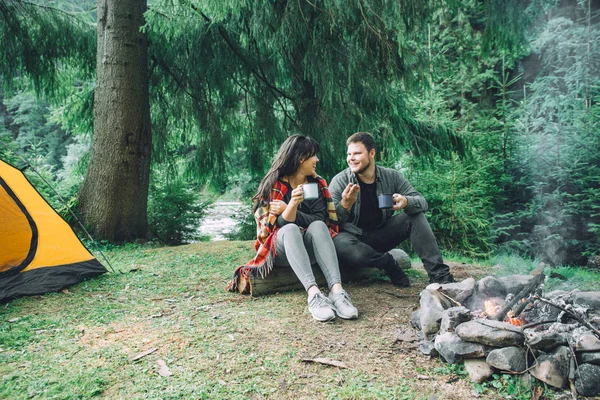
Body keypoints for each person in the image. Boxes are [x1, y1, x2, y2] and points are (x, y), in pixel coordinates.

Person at [226, 135, 358, 322]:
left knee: (319, 225)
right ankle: (314, 295)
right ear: (301, 157)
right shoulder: (275, 185)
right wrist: (293, 205)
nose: (317, 160)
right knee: (290, 230)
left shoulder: (315, 184)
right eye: (314, 156)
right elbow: (275, 228)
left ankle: (337, 292)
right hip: (281, 251)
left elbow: (319, 218)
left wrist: (289, 209)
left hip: (309, 248)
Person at [329, 132, 454, 286]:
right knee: (338, 241)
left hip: (381, 235)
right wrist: (345, 205)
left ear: (372, 153)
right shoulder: (340, 181)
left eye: (357, 153)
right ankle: (388, 263)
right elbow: (331, 223)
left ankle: (440, 276)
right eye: (349, 154)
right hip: (353, 241)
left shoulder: (392, 176)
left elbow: (422, 202)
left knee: (414, 216)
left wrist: (406, 202)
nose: (351, 158)